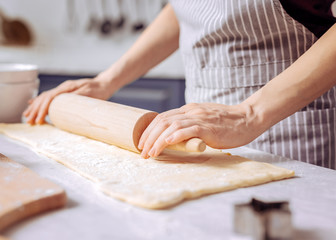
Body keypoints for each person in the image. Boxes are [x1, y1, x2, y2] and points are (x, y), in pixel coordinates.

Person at [24, 1, 336, 169]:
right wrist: (106, 82)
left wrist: (248, 115)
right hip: (197, 137)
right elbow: (185, 8)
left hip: (289, 131)